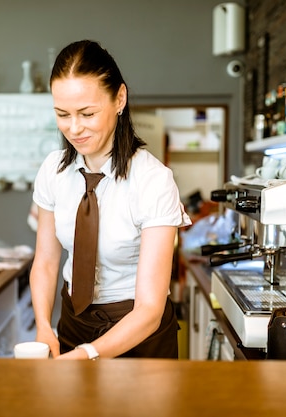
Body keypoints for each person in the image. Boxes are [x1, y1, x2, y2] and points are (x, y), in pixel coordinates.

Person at [30, 40, 191, 360]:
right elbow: (46, 263)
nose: (74, 128)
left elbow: (149, 308)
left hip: (138, 334)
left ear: (120, 98)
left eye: (87, 113)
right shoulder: (53, 170)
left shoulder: (153, 181)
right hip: (73, 324)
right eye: (62, 114)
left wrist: (87, 355)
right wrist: (44, 326)